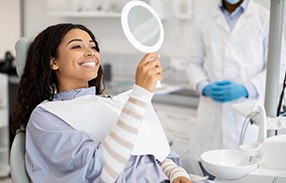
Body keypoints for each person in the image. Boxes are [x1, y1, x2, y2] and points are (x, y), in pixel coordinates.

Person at [12, 23, 193, 183]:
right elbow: (100, 174)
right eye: (77, 46)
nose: (91, 52)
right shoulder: (46, 117)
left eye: (93, 46)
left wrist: (175, 171)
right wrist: (140, 95)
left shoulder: (107, 102)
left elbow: (153, 147)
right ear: (53, 62)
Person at [186, 0, 286, 178]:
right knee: (206, 172)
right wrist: (204, 85)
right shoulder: (204, 18)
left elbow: (278, 66)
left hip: (248, 117)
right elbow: (192, 63)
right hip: (210, 119)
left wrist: (247, 88)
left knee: (247, 172)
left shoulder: (265, 17)